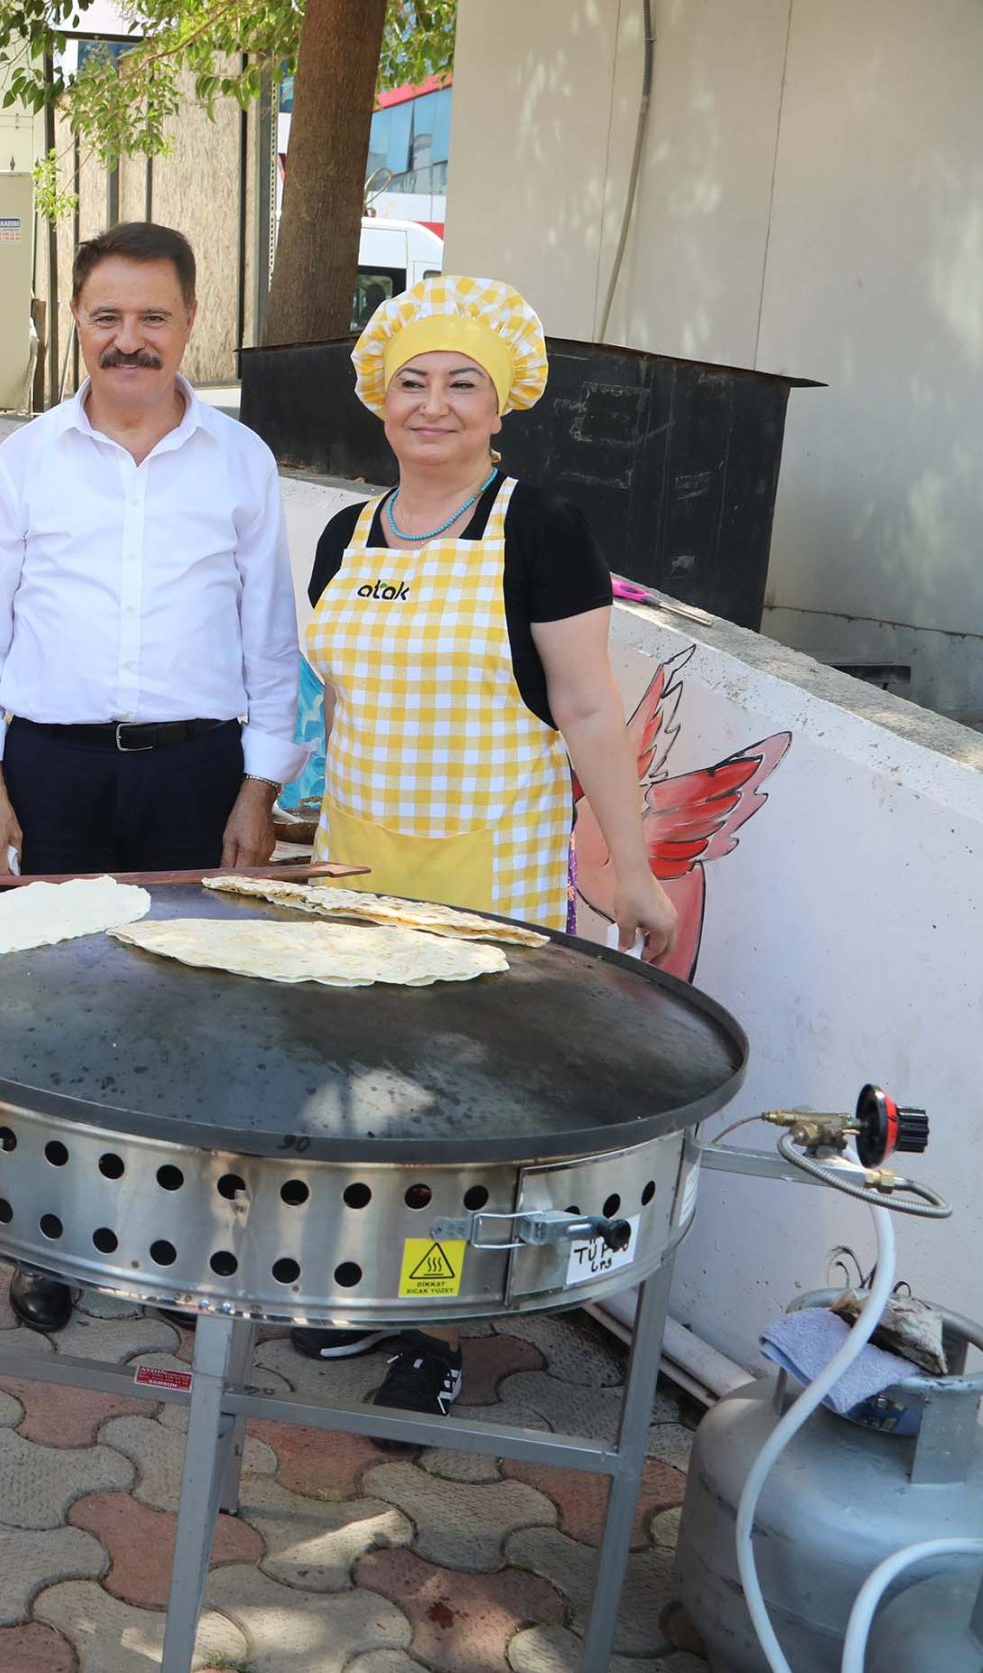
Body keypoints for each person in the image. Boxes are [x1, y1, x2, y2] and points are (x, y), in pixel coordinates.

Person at [294, 273, 681, 1416]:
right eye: (411, 381)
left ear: (501, 402)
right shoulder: (342, 534)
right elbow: (335, 711)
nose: (433, 403)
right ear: (379, 400)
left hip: (488, 879)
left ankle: (437, 1326)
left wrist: (631, 864)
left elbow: (591, 709)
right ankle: (352, 1290)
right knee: (357, 1097)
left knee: (461, 1119)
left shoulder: (541, 528)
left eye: (462, 382)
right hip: (357, 870)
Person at [0, 221, 304, 1332]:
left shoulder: (242, 465)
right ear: (77, 322)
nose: (130, 340)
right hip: (50, 770)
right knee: (51, 1008)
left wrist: (257, 787)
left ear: (191, 325)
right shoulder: (27, 459)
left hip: (193, 773)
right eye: (107, 316)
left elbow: (269, 641)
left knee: (183, 1010)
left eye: (153, 317)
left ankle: (176, 1251)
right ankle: (48, 1239)